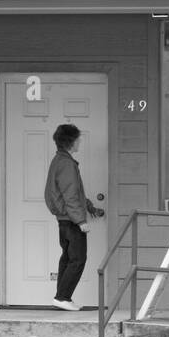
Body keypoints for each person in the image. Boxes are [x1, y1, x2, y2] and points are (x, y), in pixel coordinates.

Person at [44, 123, 104, 311]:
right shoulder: (67, 164)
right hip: (71, 221)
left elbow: (73, 192)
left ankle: (62, 297)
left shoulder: (59, 161)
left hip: (64, 219)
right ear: (71, 141)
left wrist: (89, 207)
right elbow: (70, 195)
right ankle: (62, 297)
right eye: (78, 139)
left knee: (68, 258)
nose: (80, 142)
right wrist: (81, 221)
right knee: (78, 259)